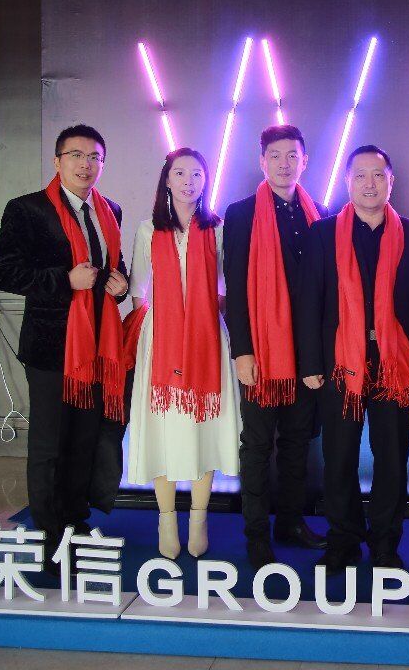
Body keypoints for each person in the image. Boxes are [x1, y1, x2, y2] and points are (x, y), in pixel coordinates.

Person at [0, 124, 130, 571]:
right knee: (50, 445)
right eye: (76, 155)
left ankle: (75, 522)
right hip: (52, 348)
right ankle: (50, 537)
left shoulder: (110, 210)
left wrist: (121, 285)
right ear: (57, 161)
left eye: (94, 157)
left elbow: (112, 267)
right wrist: (64, 280)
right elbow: (0, 272)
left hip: (97, 348)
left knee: (84, 441)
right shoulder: (28, 209)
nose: (86, 165)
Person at [296, 145, 409, 573]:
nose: (369, 183)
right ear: (347, 182)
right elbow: (310, 301)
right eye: (360, 175)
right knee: (339, 458)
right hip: (340, 364)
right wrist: (310, 363)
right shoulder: (323, 233)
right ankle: (344, 540)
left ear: (391, 181)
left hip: (395, 363)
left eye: (378, 175)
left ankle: (386, 543)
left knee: (392, 460)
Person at [123, 147, 243, 559]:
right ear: (167, 180)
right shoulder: (147, 230)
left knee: (204, 427)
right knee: (164, 429)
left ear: (206, 181)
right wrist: (170, 324)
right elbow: (139, 291)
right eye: (180, 173)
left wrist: (200, 318)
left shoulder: (219, 229)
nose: (189, 181)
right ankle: (166, 519)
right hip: (161, 341)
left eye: (196, 174)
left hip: (208, 338)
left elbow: (226, 288)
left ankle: (198, 518)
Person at [224, 125, 331, 568]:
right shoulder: (241, 213)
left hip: (307, 353)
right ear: (262, 161)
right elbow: (234, 286)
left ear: (304, 161)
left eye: (292, 155)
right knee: (256, 445)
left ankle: (290, 522)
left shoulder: (320, 213)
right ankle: (256, 535)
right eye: (276, 155)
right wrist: (242, 350)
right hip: (262, 352)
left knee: (298, 443)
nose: (284, 163)